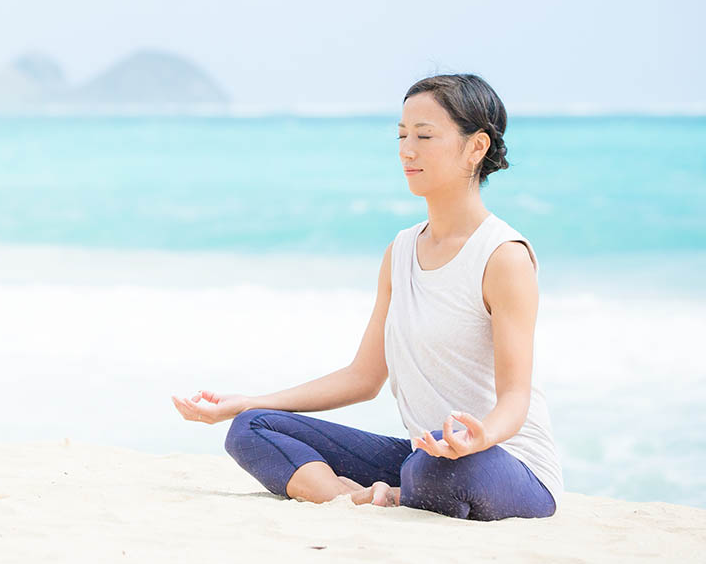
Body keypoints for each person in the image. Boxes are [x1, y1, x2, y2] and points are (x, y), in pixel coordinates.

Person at [172, 74, 564, 521]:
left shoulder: (503, 257)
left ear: (476, 147)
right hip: (426, 454)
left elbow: (516, 398)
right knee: (252, 429)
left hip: (504, 464)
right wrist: (246, 401)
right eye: (401, 135)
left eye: (424, 136)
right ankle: (353, 497)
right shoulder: (400, 252)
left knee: (432, 469)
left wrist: (478, 438)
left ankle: (398, 491)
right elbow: (364, 377)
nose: (407, 150)